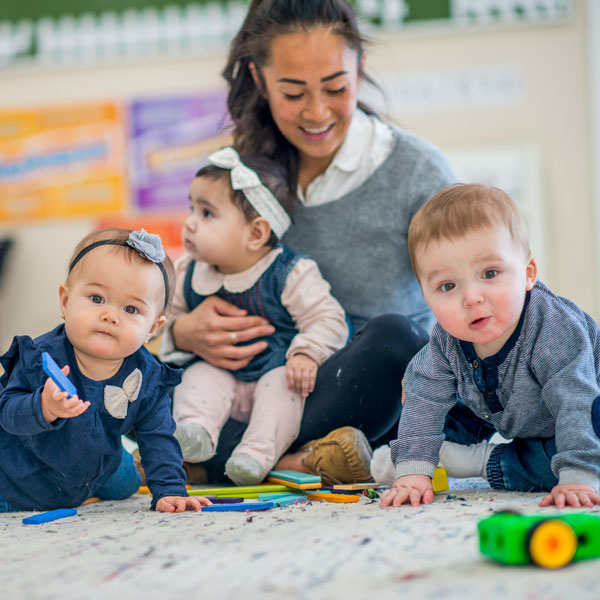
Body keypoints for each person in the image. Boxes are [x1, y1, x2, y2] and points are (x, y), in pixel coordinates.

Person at [168, 0, 458, 484]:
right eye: (293, 92)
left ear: (360, 71)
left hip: (357, 389)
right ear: (259, 82)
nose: (318, 111)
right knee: (141, 367)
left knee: (395, 340)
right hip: (252, 383)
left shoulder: (418, 173)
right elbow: (180, 281)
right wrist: (181, 333)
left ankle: (238, 461)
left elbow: (469, 295)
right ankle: (291, 462)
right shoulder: (240, 175)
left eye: (335, 88)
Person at [380, 183, 600, 509]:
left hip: (583, 416)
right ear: (426, 296)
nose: (471, 298)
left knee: (583, 450)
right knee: (426, 397)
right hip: (506, 408)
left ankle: (483, 461)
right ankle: (419, 456)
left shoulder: (553, 328)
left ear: (527, 274)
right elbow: (424, 395)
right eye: (447, 285)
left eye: (490, 273)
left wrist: (578, 475)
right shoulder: (446, 339)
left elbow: (576, 401)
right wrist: (413, 471)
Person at [159, 146, 349, 485]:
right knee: (197, 377)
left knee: (284, 392)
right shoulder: (187, 271)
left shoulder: (290, 272)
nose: (188, 223)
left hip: (275, 371)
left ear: (256, 233)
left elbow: (328, 318)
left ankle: (255, 455)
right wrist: (179, 331)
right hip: (218, 375)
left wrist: (306, 351)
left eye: (206, 213)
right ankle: (194, 433)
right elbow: (159, 322)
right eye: (191, 208)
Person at [0, 228, 212, 513]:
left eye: (131, 309)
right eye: (97, 299)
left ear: (153, 328)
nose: (110, 316)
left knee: (126, 483)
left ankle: (123, 465)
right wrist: (43, 406)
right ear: (65, 301)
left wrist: (170, 489)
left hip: (94, 466)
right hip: (20, 469)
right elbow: (7, 414)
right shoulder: (41, 357)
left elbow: (158, 434)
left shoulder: (147, 376)